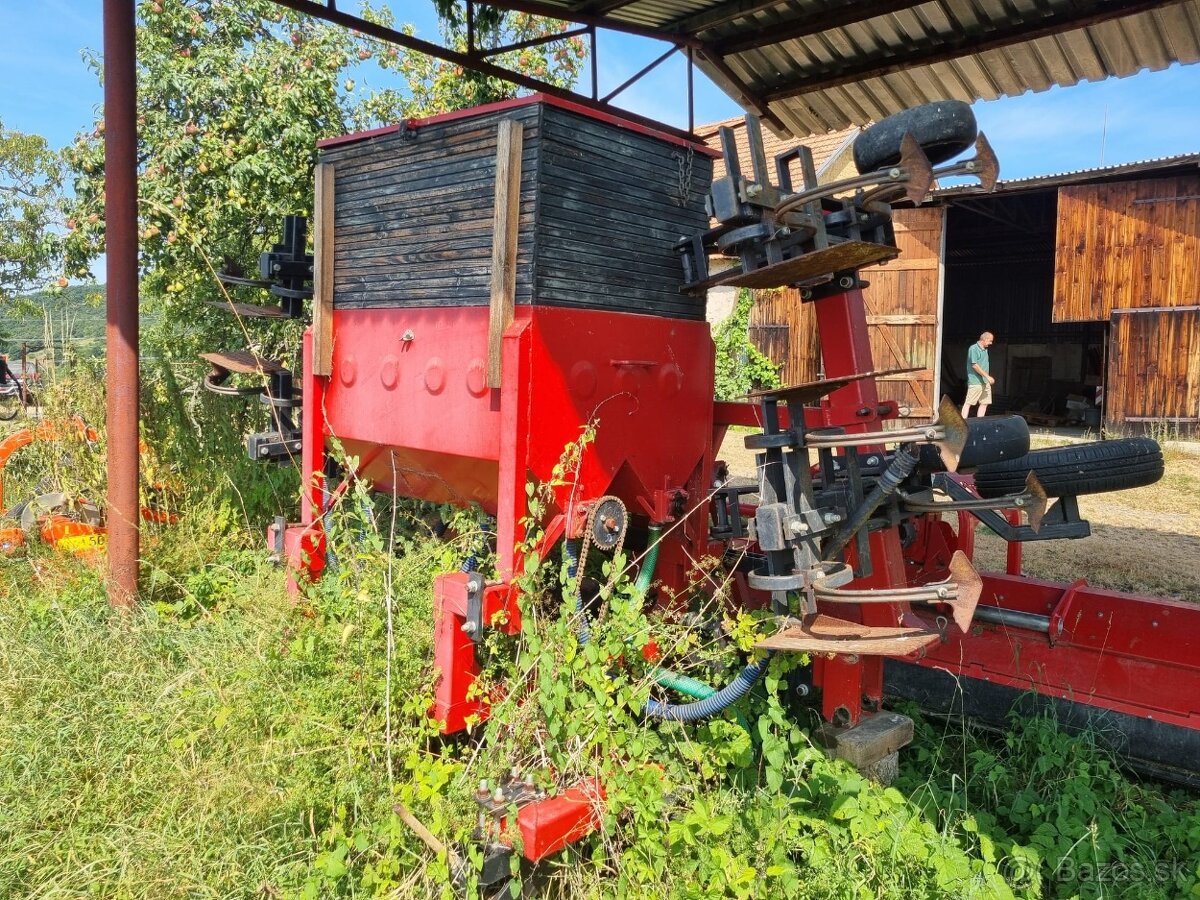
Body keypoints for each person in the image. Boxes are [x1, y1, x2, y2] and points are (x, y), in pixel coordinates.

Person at [961, 331, 995, 418]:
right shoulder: (973, 349)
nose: (991, 343)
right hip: (975, 381)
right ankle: (962, 423)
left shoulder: (985, 350)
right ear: (984, 339)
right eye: (990, 341)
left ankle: (980, 421)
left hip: (985, 381)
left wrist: (986, 378)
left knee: (985, 402)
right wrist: (987, 376)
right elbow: (974, 365)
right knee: (969, 403)